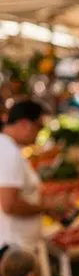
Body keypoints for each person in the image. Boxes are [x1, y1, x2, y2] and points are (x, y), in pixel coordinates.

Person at [0, 100, 47, 260]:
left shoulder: (6, 147)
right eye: (39, 127)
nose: (39, 133)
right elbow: (9, 204)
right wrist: (44, 207)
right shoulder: (8, 152)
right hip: (14, 249)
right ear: (25, 124)